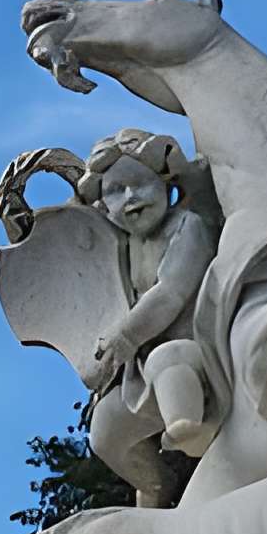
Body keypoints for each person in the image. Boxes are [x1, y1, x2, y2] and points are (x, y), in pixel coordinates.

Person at [79, 129, 218, 503]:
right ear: (103, 207)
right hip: (141, 372)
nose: (130, 197)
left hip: (198, 350)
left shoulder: (187, 226)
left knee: (167, 361)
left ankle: (198, 437)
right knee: (104, 432)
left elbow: (171, 292)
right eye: (115, 191)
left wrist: (125, 335)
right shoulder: (123, 247)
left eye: (140, 184)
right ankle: (155, 485)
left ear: (165, 183)